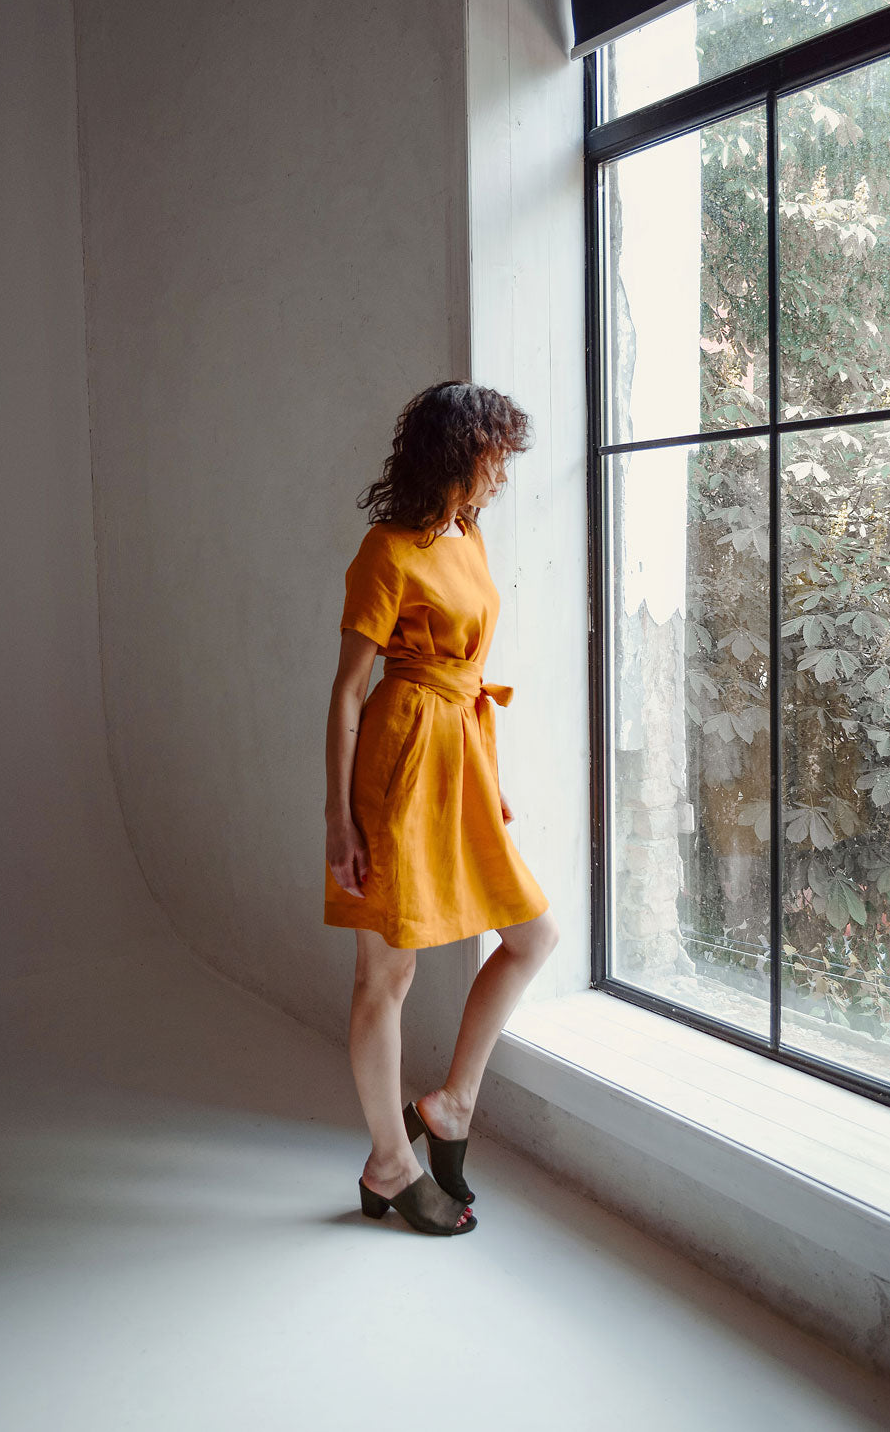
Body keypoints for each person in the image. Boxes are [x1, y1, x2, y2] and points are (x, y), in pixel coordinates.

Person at [324, 381, 560, 1237]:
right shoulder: (384, 551)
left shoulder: (470, 534)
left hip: (459, 754)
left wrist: (488, 779)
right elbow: (349, 694)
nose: (503, 473)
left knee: (531, 936)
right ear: (460, 457)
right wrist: (337, 819)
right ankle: (390, 1161)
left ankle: (452, 1105)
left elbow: (467, 672)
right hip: (399, 763)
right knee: (385, 973)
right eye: (495, 456)